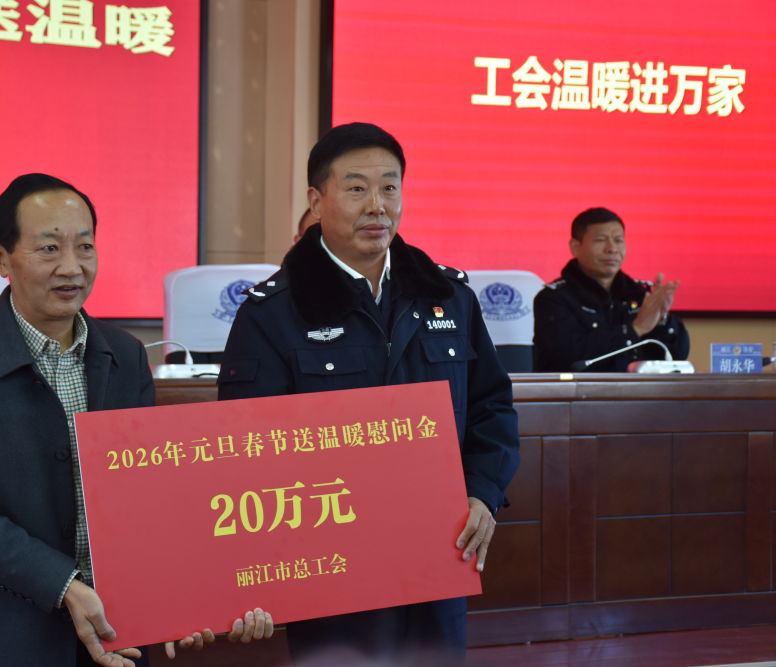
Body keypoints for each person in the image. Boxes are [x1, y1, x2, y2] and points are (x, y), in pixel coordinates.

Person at [0, 173, 272, 667]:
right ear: (2, 258)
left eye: (85, 247)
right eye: (49, 249)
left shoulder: (124, 355)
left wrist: (183, 596)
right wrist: (66, 586)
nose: (72, 267)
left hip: (113, 631)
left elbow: (144, 495)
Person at [218, 123, 520, 663]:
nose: (377, 205)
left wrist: (482, 492)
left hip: (437, 547)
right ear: (317, 200)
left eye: (389, 187)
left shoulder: (448, 296)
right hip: (329, 562)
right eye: (356, 188)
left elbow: (491, 405)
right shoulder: (272, 313)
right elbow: (246, 445)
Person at [533, 207, 690, 372]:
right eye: (601, 240)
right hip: (580, 389)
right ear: (575, 247)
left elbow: (677, 356)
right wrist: (635, 329)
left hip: (637, 388)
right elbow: (567, 358)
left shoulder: (639, 294)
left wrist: (662, 319)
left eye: (618, 240)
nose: (612, 248)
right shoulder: (553, 299)